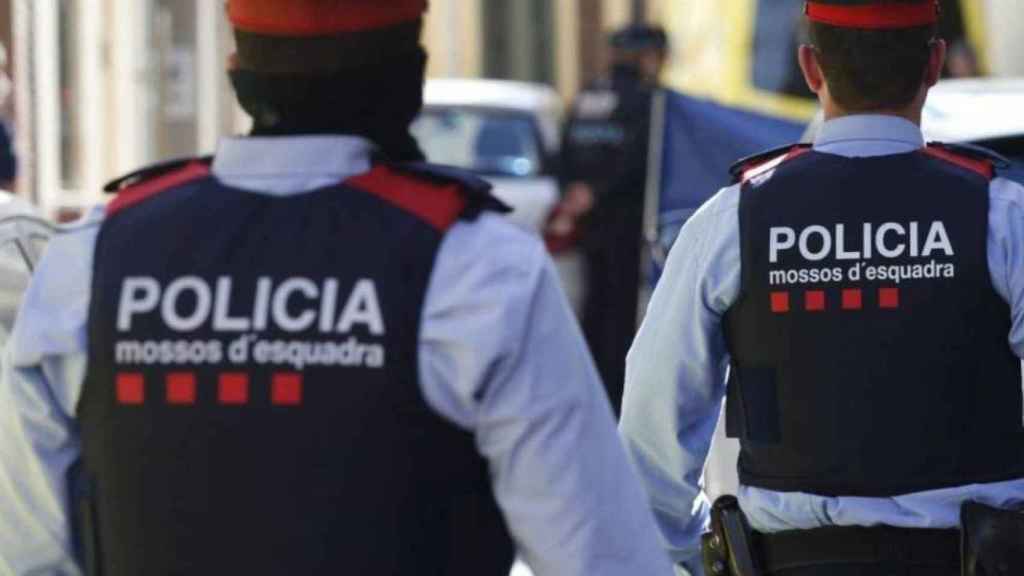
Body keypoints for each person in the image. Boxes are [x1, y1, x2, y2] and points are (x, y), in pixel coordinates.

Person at [0, 2, 674, 575]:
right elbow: (601, 557)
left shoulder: (91, 258)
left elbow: (27, 551)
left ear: (237, 71)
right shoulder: (476, 267)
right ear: (409, 77)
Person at [621, 1, 1024, 574]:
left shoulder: (732, 220)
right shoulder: (1003, 216)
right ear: (934, 63)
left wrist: (686, 557)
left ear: (811, 68)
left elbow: (651, 422)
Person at [558, 24, 669, 415]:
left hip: (589, 222)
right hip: (624, 222)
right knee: (621, 312)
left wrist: (576, 192)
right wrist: (598, 192)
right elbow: (638, 161)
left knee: (593, 306)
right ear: (645, 56)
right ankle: (616, 395)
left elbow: (563, 153)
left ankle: (588, 391)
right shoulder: (647, 101)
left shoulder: (587, 97)